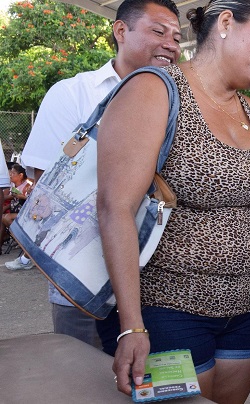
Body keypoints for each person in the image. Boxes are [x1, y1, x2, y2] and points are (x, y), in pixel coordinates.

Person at [96, 0, 250, 400]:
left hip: (248, 311)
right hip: (171, 311)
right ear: (225, 23)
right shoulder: (156, 89)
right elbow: (115, 208)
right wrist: (132, 326)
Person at [18, 0, 183, 349]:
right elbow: (52, 184)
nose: (171, 43)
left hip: (161, 291)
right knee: (84, 381)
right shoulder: (72, 93)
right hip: (83, 283)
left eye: (177, 36)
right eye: (158, 31)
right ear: (121, 31)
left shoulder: (182, 103)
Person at [1, 164, 33, 260]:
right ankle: (11, 238)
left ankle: (20, 239)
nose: (10, 175)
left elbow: (30, 200)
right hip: (14, 210)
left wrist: (20, 196)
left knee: (6, 218)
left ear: (20, 175)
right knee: (3, 218)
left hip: (24, 212)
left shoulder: (27, 186)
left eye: (13, 173)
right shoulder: (13, 186)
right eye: (10, 172)